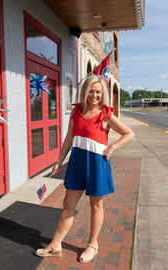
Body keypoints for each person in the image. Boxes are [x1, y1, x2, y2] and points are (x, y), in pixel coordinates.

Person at [35, 74, 134, 262]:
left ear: (102, 93)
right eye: (91, 90)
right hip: (77, 162)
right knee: (68, 205)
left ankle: (92, 245)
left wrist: (112, 147)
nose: (94, 95)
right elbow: (69, 139)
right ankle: (56, 245)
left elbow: (129, 133)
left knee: (95, 206)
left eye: (98, 91)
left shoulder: (106, 114)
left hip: (97, 164)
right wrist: (59, 160)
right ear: (85, 91)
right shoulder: (77, 112)